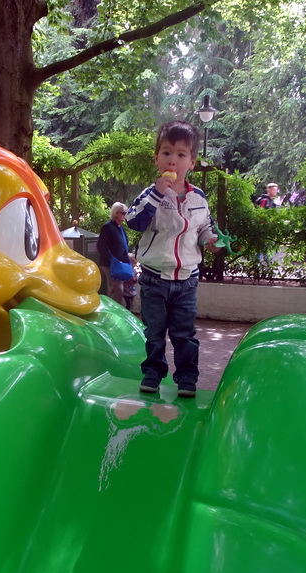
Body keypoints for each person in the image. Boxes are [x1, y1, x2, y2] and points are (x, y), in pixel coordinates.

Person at [126, 120, 219, 398]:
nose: (173, 160)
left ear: (192, 162)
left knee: (184, 334)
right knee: (154, 332)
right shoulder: (150, 195)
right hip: (154, 279)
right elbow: (134, 221)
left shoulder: (199, 199)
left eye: (181, 155)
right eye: (166, 153)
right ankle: (153, 371)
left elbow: (204, 229)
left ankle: (187, 377)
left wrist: (211, 242)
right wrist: (156, 193)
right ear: (157, 159)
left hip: (187, 281)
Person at [97, 201, 130, 305]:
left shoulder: (121, 228)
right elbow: (101, 246)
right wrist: (112, 260)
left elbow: (123, 246)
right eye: (123, 213)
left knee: (114, 288)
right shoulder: (108, 227)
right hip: (110, 263)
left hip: (120, 264)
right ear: (116, 213)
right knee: (118, 288)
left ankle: (109, 308)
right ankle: (116, 310)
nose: (125, 215)